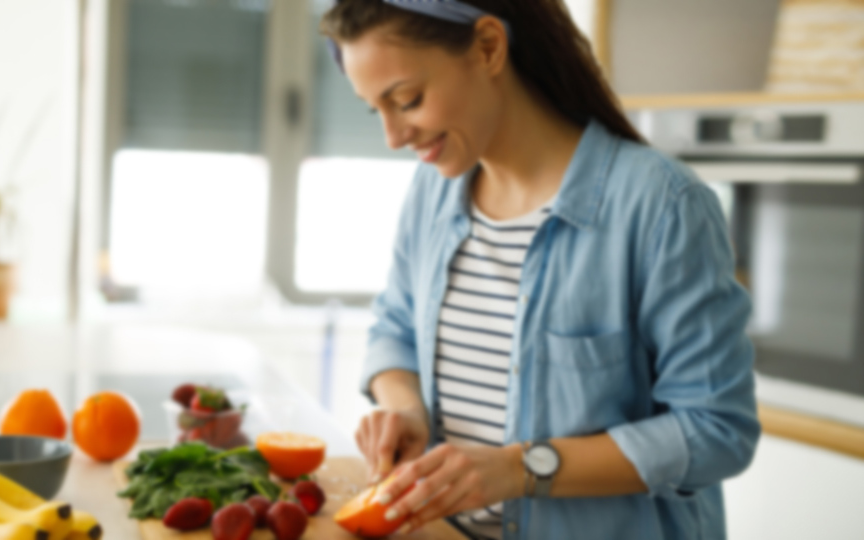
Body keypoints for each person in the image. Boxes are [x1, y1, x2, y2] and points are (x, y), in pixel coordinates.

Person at [321, 1, 760, 539]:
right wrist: (407, 409)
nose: (393, 137)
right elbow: (394, 329)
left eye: (407, 100)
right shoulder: (431, 191)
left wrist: (521, 469)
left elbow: (716, 431)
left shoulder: (662, 204)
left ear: (488, 47)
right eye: (375, 110)